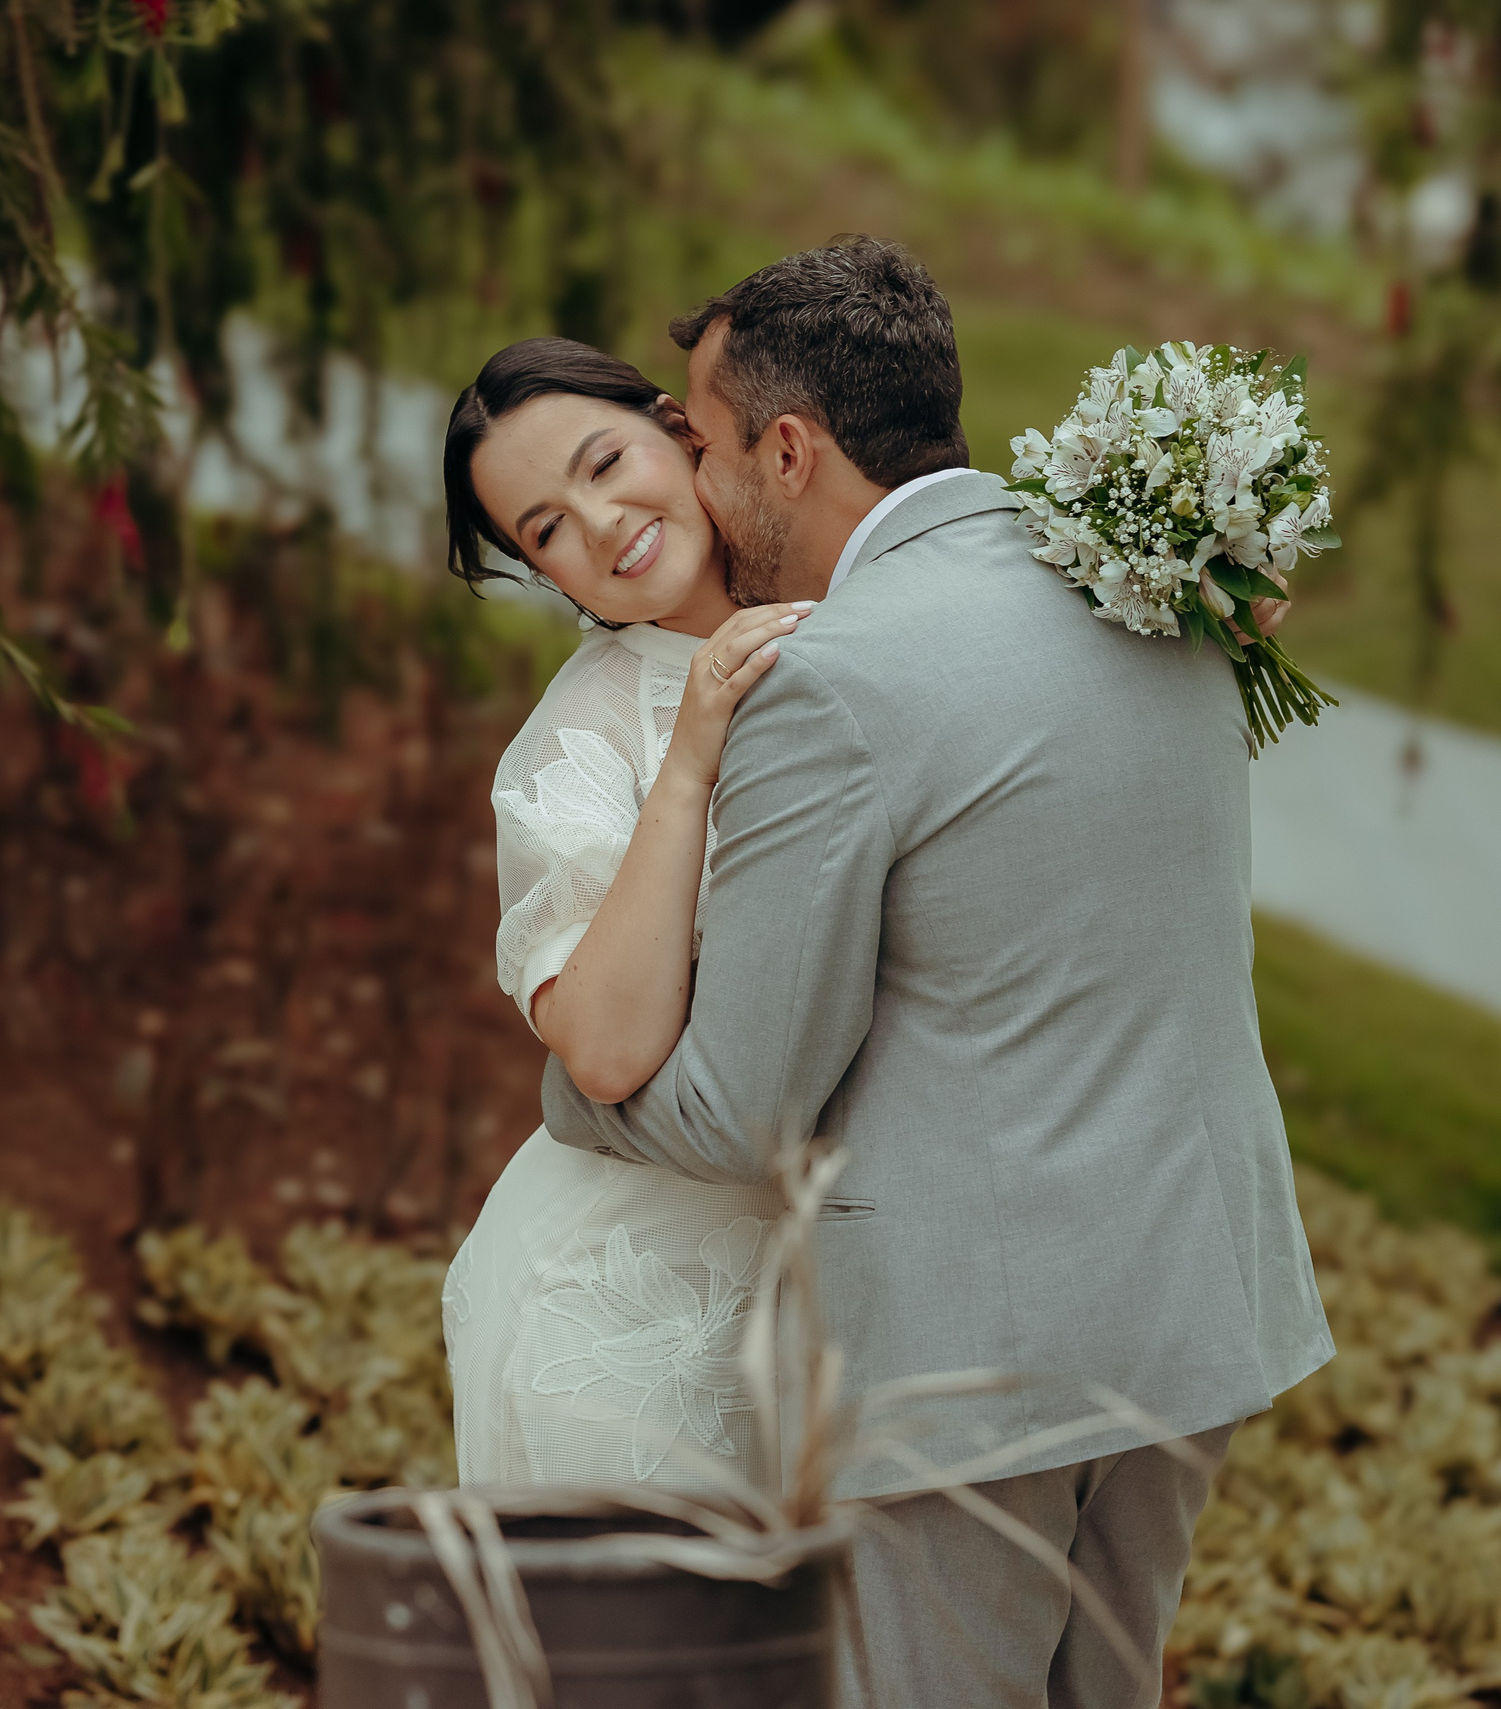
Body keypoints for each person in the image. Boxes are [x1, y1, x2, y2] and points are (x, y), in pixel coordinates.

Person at [450, 237, 1336, 1709]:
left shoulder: (833, 680)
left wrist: (572, 1104)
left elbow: (737, 1114)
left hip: (976, 1340)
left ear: (778, 450)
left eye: (681, 441)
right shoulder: (1159, 587)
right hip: (1193, 1302)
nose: (631, 506)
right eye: (545, 526)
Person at [437, 335, 805, 1491]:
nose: (596, 523)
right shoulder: (577, 743)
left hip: (843, 1302)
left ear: (674, 424)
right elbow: (600, 1046)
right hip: (632, 1332)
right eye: (543, 529)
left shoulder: (849, 590)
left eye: (605, 463)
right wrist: (687, 761)